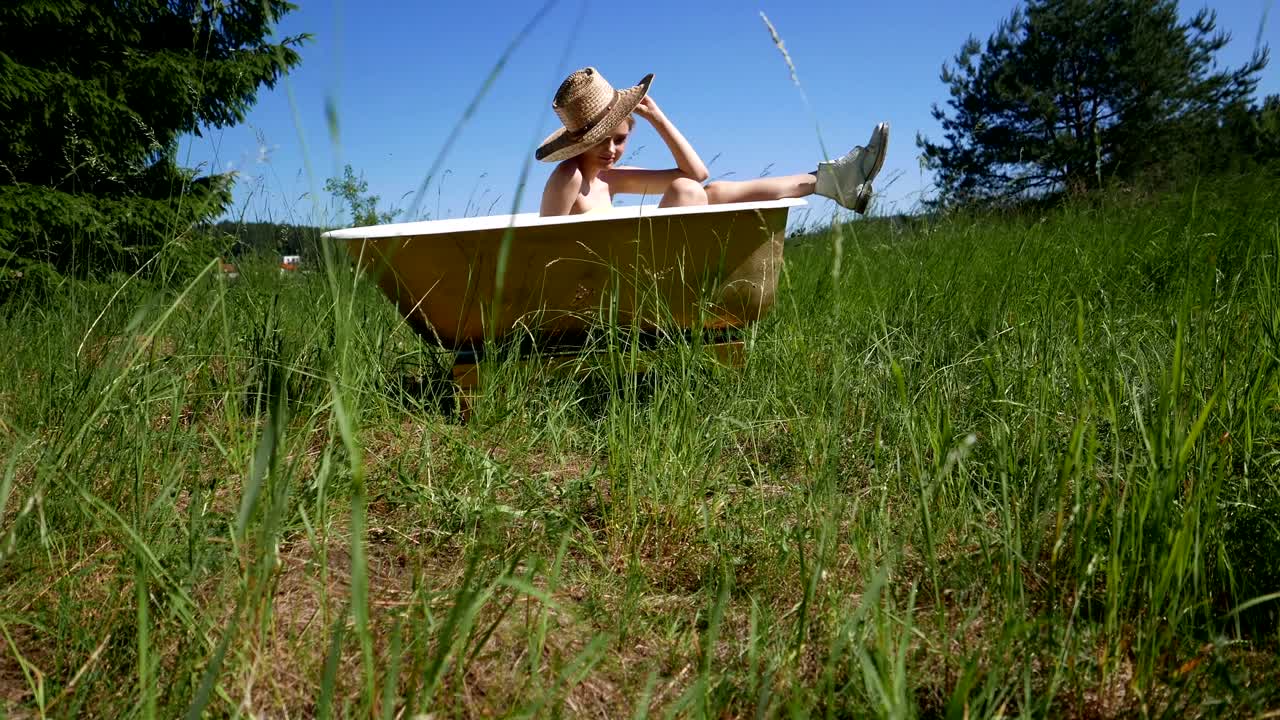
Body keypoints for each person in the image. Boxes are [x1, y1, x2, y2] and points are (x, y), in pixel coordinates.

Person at [537, 67, 888, 217]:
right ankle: (833, 183)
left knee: (712, 191)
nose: (611, 150)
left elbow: (698, 172)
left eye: (620, 139)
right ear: (580, 142)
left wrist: (659, 119)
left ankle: (828, 182)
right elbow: (539, 247)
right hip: (599, 290)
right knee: (687, 192)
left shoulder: (610, 179)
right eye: (601, 142)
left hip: (635, 277)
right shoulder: (571, 177)